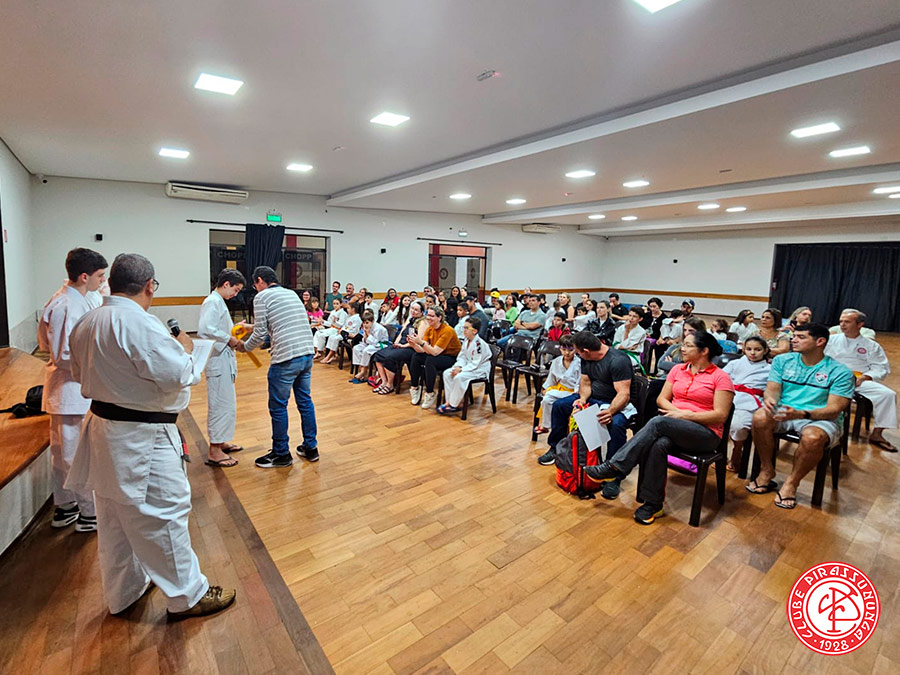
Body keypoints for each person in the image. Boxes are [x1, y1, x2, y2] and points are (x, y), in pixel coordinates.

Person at [67, 253, 235, 617]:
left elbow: (78, 373)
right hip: (142, 435)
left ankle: (124, 591)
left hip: (102, 428)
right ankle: (188, 596)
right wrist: (187, 350)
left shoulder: (87, 321)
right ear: (149, 286)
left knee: (114, 517)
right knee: (164, 515)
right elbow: (180, 374)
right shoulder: (140, 324)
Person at [584, 331, 734, 525]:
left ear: (704, 351)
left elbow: (721, 415)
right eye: (683, 344)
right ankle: (653, 504)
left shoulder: (721, 377)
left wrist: (685, 415)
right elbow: (661, 399)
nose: (682, 348)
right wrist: (678, 414)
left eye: (688, 345)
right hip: (675, 426)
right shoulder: (678, 370)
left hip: (706, 434)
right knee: (658, 444)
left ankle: (615, 467)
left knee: (658, 422)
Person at [746, 323, 855, 509]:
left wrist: (802, 413)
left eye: (801, 337)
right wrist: (770, 400)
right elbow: (772, 389)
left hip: (819, 417)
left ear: (820, 342)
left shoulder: (840, 372)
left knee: (813, 437)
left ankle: (792, 482)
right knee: (760, 417)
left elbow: (834, 409)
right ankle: (767, 469)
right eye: (794, 336)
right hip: (786, 410)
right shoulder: (783, 361)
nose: (793, 340)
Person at [38, 247, 108, 532]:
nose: (103, 281)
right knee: (74, 456)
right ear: (84, 276)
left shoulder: (74, 299)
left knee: (65, 453)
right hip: (70, 390)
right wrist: (99, 359)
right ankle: (88, 512)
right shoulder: (67, 305)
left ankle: (67, 505)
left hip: (71, 390)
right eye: (100, 276)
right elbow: (62, 354)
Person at [238, 265, 318, 468]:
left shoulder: (262, 297)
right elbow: (279, 323)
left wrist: (244, 347)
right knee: (305, 402)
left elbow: (260, 334)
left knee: (278, 406)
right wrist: (250, 327)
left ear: (259, 280)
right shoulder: (291, 294)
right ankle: (311, 448)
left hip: (286, 358)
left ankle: (281, 454)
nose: (256, 288)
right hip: (306, 353)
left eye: (255, 285)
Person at [540, 331, 634, 500]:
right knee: (560, 406)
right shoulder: (586, 358)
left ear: (586, 351)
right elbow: (585, 382)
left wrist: (611, 411)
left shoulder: (618, 361)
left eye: (577, 351)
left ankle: (613, 473)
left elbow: (624, 394)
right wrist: (582, 400)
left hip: (613, 403)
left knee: (617, 424)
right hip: (592, 399)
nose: (576, 354)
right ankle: (555, 448)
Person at [825, 309, 897, 452]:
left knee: (888, 394)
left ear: (860, 325)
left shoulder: (871, 345)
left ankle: (877, 434)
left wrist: (865, 377)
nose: (842, 325)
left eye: (847, 322)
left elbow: (880, 367)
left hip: (858, 380)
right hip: (831, 378)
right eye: (841, 321)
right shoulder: (831, 340)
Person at [197, 269, 246, 468]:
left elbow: (218, 329)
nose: (235, 294)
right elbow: (206, 329)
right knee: (219, 404)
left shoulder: (219, 302)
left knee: (227, 404)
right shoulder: (212, 301)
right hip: (217, 361)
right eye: (235, 290)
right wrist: (229, 338)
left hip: (224, 360)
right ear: (226, 284)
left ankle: (221, 441)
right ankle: (215, 450)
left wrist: (235, 329)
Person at [723, 336, 771, 471]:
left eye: (758, 349)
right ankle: (720, 453)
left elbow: (772, 389)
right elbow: (721, 378)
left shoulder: (770, 369)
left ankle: (737, 449)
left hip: (750, 403)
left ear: (765, 350)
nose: (753, 353)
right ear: (743, 349)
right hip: (728, 397)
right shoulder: (735, 363)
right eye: (749, 349)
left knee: (739, 426)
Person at [407, 307, 461, 408]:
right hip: (437, 354)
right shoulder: (430, 329)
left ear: (439, 318)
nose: (428, 318)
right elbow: (424, 349)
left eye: (432, 316)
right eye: (428, 315)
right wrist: (414, 344)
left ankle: (430, 392)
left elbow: (435, 352)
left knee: (430, 360)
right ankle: (414, 387)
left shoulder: (447, 330)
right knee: (416, 356)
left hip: (451, 357)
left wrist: (420, 342)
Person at [437, 316, 491, 415]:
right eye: (464, 327)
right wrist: (458, 367)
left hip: (479, 369)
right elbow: (462, 357)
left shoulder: (479, 344)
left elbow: (475, 363)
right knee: (447, 373)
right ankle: (451, 401)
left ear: (474, 331)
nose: (464, 330)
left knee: (459, 377)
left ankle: (453, 404)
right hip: (467, 366)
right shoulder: (466, 341)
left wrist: (461, 370)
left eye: (467, 328)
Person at [371, 300, 427, 394]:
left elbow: (418, 340)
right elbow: (401, 333)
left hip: (410, 347)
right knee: (378, 354)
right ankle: (384, 382)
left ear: (421, 312)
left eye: (416, 310)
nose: (413, 311)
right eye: (412, 309)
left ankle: (390, 385)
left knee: (389, 357)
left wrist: (403, 346)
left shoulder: (423, 322)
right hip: (401, 344)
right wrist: (396, 343)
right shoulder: (410, 319)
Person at [534, 334, 581, 435]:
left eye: (571, 350)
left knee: (550, 395)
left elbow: (579, 383)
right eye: (564, 349)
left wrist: (576, 395)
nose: (567, 353)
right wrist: (546, 388)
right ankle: (546, 425)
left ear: (576, 349)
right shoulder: (556, 361)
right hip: (559, 390)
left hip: (573, 393)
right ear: (560, 348)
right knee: (546, 400)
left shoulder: (579, 364)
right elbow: (551, 378)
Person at [349, 310, 389, 383]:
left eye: (367, 323)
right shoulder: (366, 327)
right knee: (356, 348)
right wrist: (366, 334)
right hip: (371, 344)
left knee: (366, 350)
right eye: (364, 323)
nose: (365, 325)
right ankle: (360, 368)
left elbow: (375, 342)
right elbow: (364, 341)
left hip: (380, 345)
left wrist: (368, 333)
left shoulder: (379, 328)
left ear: (372, 321)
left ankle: (364, 371)